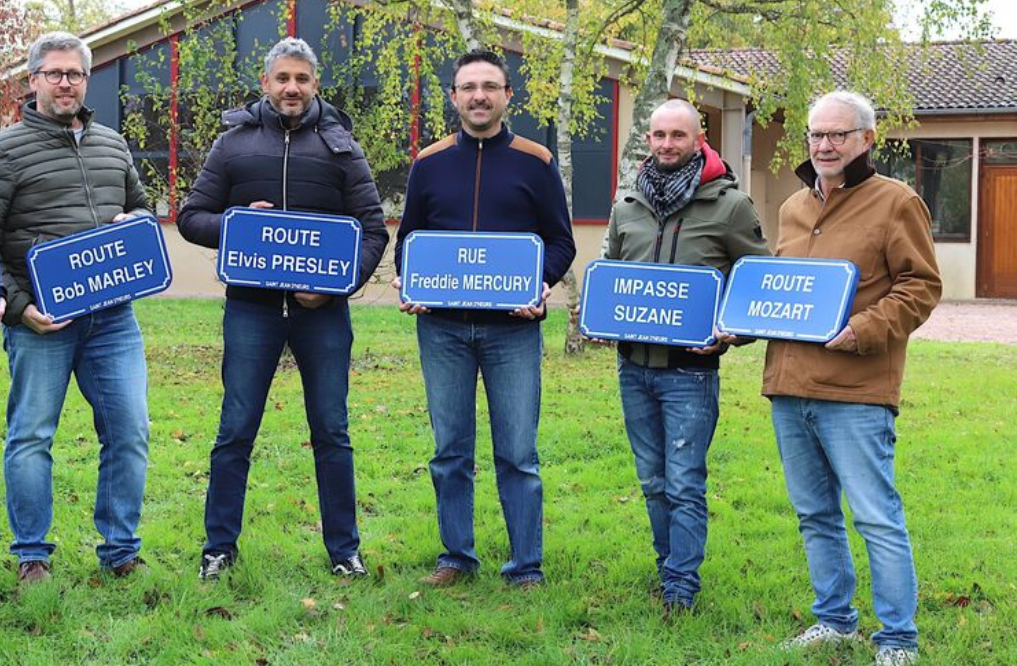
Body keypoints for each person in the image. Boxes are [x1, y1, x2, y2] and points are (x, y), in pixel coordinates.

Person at [177, 37, 388, 580]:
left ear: (315, 85)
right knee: (236, 428)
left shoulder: (343, 145)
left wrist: (339, 286)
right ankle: (218, 548)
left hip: (323, 313)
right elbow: (191, 216)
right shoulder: (233, 144)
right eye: (282, 79)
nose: (291, 88)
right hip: (252, 308)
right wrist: (237, 222)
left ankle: (344, 551)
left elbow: (371, 229)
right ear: (265, 83)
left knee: (332, 430)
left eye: (302, 79)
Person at [0, 32, 153, 583]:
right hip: (40, 324)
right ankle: (32, 556)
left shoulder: (112, 144)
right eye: (54, 73)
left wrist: (134, 226)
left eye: (74, 73)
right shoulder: (0, 152)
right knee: (32, 436)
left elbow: (140, 210)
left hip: (113, 319)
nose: (66, 82)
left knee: (129, 430)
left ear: (86, 79)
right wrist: (21, 307)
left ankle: (121, 551)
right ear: (33, 81)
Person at [766, 91, 941, 666]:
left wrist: (863, 329)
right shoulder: (793, 207)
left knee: (875, 515)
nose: (824, 145)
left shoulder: (897, 202)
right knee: (815, 514)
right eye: (817, 134)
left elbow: (920, 286)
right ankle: (835, 621)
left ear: (867, 139)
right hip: (791, 387)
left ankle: (897, 639)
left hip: (857, 392)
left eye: (838, 135)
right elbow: (777, 292)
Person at [393, 48, 576, 588]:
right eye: (468, 87)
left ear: (506, 96)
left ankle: (526, 566)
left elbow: (561, 240)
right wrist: (409, 281)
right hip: (443, 329)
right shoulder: (428, 162)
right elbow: (409, 241)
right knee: (450, 449)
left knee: (518, 452)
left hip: (513, 331)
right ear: (454, 97)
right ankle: (456, 558)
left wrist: (539, 283)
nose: (479, 96)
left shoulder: (536, 161)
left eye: (489, 87)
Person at [601, 99, 770, 614]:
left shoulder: (730, 204)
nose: (667, 144)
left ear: (700, 140)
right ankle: (666, 566)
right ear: (648, 140)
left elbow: (756, 284)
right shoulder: (627, 201)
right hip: (634, 369)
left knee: (684, 482)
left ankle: (681, 586)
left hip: (691, 374)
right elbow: (612, 269)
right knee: (652, 482)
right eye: (658, 135)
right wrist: (605, 317)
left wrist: (731, 335)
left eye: (678, 135)